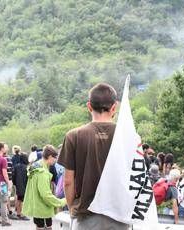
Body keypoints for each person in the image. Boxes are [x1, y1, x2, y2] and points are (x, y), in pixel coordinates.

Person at [58, 83, 129, 230]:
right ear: (114, 107)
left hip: (85, 215)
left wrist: (72, 207)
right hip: (119, 215)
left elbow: (68, 181)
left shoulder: (74, 136)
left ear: (89, 106)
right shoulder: (128, 135)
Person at [23, 145, 66, 230]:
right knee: (46, 227)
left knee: (38, 226)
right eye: (55, 158)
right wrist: (62, 201)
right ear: (50, 156)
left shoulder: (36, 166)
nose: (55, 160)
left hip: (36, 205)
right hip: (43, 208)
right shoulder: (42, 172)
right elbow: (46, 195)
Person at [12, 153, 29, 220]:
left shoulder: (16, 166)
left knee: (19, 199)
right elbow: (28, 178)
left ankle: (18, 213)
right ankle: (22, 214)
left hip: (17, 185)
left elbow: (13, 176)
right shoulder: (26, 168)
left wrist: (15, 183)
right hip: (24, 185)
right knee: (23, 200)